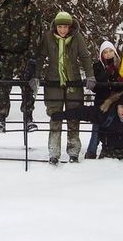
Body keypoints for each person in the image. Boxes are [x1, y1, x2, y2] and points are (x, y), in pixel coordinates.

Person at [33, 11, 94, 165]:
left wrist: (90, 75)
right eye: (60, 26)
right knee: (55, 116)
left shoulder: (77, 37)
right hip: (53, 80)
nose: (63, 30)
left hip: (73, 81)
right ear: (55, 26)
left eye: (65, 27)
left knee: (73, 117)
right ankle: (54, 152)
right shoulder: (48, 37)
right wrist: (35, 75)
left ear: (70, 26)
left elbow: (85, 56)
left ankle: (73, 152)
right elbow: (40, 56)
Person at [0, 0, 42, 133]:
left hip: (25, 54)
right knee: (4, 87)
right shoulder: (0, 6)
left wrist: (32, 54)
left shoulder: (31, 6)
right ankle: (1, 119)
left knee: (27, 86)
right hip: (6, 54)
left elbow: (36, 31)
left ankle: (28, 118)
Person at [52, 92, 123, 160]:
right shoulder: (107, 113)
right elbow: (84, 112)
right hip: (109, 151)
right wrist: (62, 115)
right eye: (121, 107)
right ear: (117, 106)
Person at [85, 40, 123, 159]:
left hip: (116, 102)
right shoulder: (97, 66)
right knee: (96, 127)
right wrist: (107, 72)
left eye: (110, 51)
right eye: (105, 52)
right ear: (101, 54)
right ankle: (91, 151)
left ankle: (107, 149)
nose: (108, 54)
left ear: (114, 52)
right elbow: (96, 86)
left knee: (111, 127)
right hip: (101, 101)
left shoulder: (120, 64)